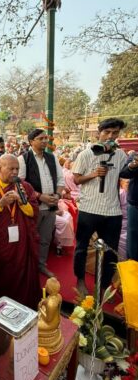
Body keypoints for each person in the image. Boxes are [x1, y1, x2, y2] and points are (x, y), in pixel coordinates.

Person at [72, 118, 127, 294]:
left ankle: (103, 286)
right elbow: (76, 179)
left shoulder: (121, 155)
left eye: (115, 133)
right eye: (107, 132)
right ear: (99, 133)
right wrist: (94, 174)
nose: (110, 136)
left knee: (110, 251)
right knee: (81, 247)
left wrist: (133, 165)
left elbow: (127, 173)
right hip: (89, 209)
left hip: (112, 211)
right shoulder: (85, 154)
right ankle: (80, 280)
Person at [0, 154, 40, 309]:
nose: (15, 172)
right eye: (11, 168)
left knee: (22, 270)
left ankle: (24, 305)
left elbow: (33, 212)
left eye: (17, 169)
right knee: (1, 273)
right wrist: (0, 204)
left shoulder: (25, 187)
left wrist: (21, 201)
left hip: (21, 241)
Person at [18, 129, 65, 277]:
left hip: (50, 206)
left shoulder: (52, 158)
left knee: (45, 239)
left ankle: (41, 265)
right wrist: (39, 196)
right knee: (30, 238)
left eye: (46, 138)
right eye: (41, 138)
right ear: (31, 141)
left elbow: (60, 180)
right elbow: (21, 185)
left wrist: (57, 195)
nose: (45, 141)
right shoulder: (23, 159)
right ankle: (27, 267)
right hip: (33, 207)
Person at [120, 151, 138, 260]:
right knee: (133, 237)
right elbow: (124, 173)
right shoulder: (135, 156)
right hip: (135, 204)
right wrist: (132, 165)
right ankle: (132, 264)